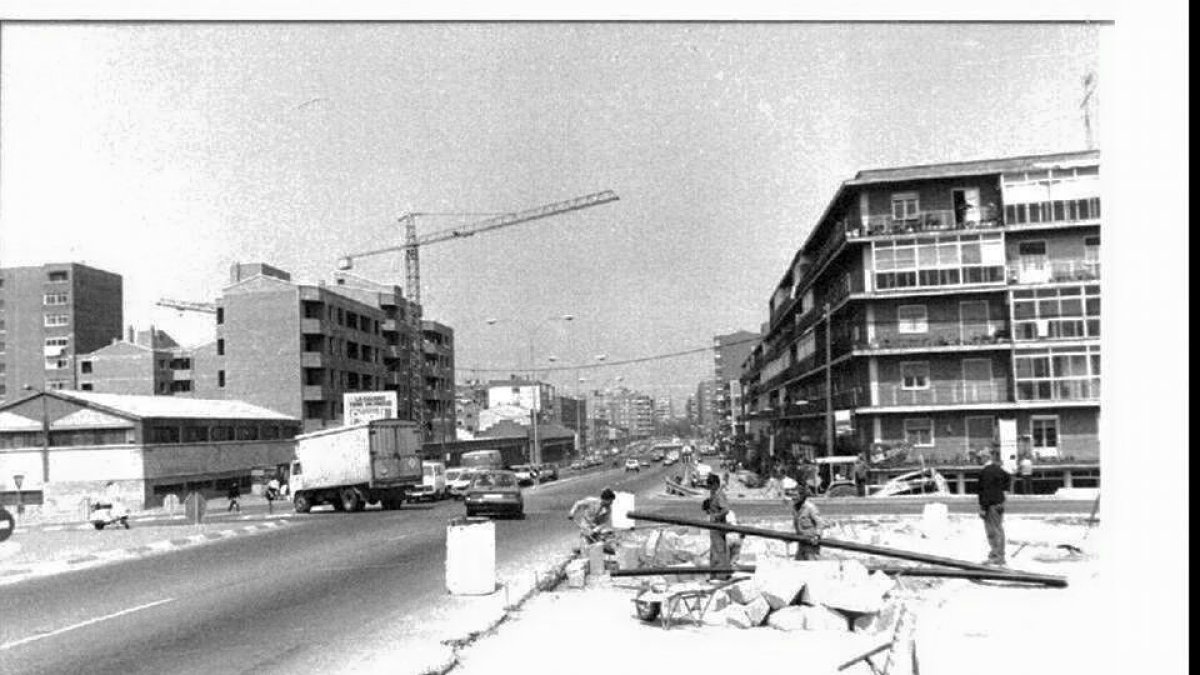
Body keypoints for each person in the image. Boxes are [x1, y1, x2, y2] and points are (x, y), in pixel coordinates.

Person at [979, 449, 1012, 566]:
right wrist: (1004, 493)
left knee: (993, 532)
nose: (979, 459)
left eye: (980, 457)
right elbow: (1008, 477)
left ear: (985, 457)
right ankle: (998, 554)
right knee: (999, 529)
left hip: (990, 505)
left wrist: (983, 508)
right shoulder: (998, 469)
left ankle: (997, 556)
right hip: (999, 504)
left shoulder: (985, 472)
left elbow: (985, 491)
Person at [703, 474, 731, 579]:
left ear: (715, 484)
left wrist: (716, 516)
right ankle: (714, 574)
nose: (709, 487)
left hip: (718, 526)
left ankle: (722, 575)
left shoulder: (719, 495)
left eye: (710, 485)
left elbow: (726, 509)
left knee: (719, 550)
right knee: (714, 550)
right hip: (713, 527)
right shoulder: (714, 493)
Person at [791, 486, 827, 560]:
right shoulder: (795, 508)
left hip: (811, 543)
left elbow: (820, 523)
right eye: (792, 495)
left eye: (795, 495)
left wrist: (817, 536)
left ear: (802, 496)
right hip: (801, 542)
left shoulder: (810, 507)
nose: (793, 498)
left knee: (812, 563)